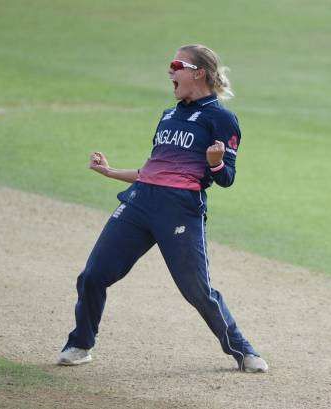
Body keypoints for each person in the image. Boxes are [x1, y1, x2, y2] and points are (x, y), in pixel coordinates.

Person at [57, 44, 268, 373]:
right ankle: (80, 343)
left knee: (197, 291)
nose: (170, 72)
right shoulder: (169, 115)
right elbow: (153, 169)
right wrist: (111, 172)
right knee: (93, 275)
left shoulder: (222, 119)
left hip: (180, 212)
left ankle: (242, 349)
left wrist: (214, 163)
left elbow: (226, 178)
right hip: (140, 202)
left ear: (198, 72)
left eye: (176, 65)